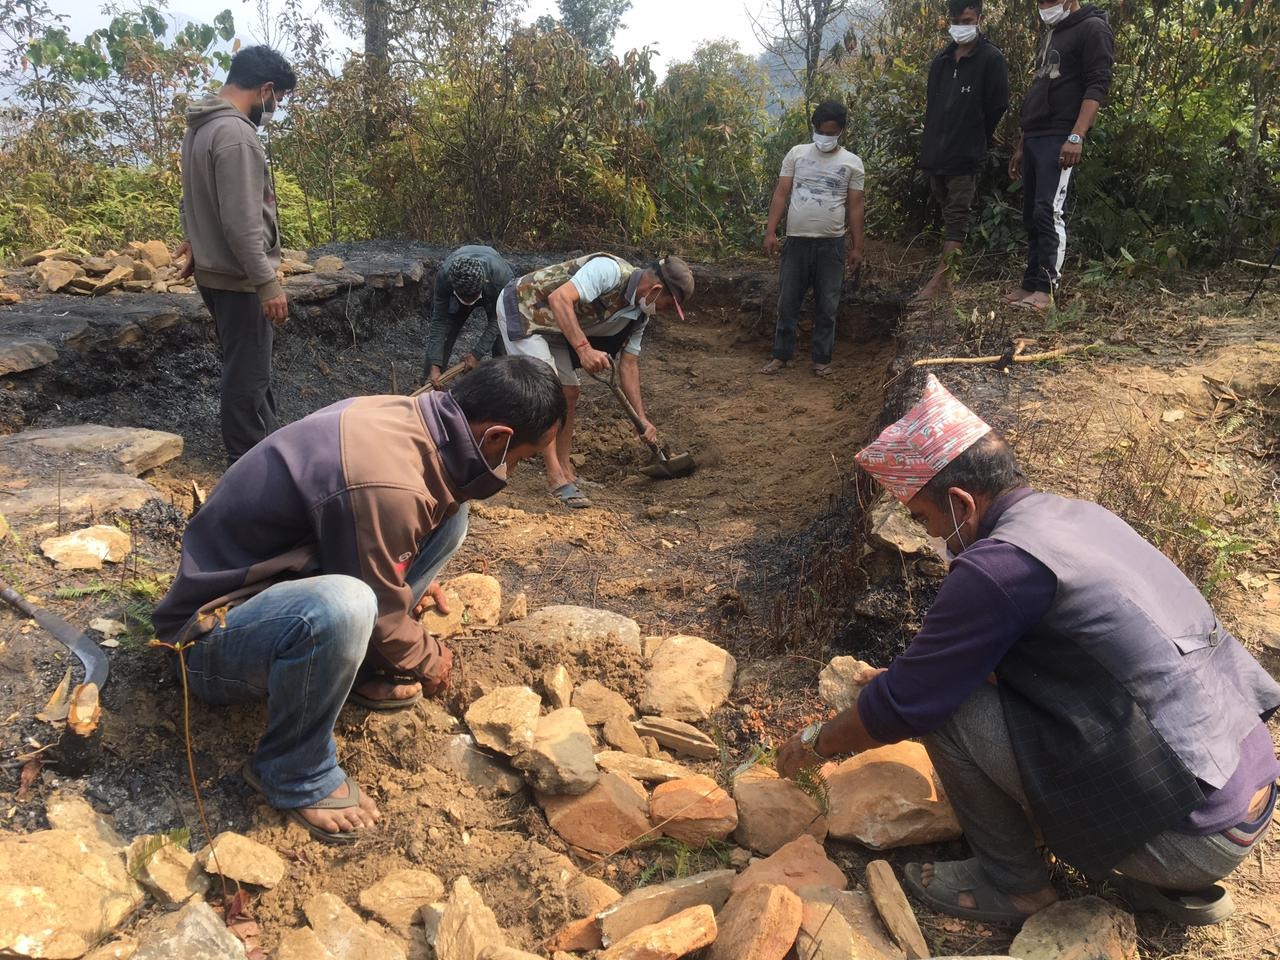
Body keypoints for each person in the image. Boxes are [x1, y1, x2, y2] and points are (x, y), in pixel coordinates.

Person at [777, 374, 1279, 926]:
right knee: (948, 695)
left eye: (925, 519)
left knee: (945, 714)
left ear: (963, 502)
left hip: (1193, 835)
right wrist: (912, 678)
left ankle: (1013, 884)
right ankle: (1135, 862)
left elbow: (907, 706)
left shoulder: (998, 565)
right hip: (1246, 793)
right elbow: (1051, 662)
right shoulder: (1080, 518)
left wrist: (816, 742)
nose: (929, 537)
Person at [152, 357, 566, 843]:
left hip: (277, 579)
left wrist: (396, 562)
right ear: (496, 437)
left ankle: (360, 664)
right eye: (521, 459)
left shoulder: (410, 418)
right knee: (347, 604)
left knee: (449, 521)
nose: (513, 470)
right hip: (208, 636)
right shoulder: (387, 483)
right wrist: (429, 659)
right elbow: (376, 596)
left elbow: (374, 531)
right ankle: (294, 771)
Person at [175, 45, 297, 465]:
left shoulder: (200, 126)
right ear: (265, 89)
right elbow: (242, 222)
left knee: (246, 365)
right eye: (277, 99)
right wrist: (267, 283)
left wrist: (195, 241)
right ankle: (247, 462)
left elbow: (192, 197)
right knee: (248, 374)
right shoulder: (237, 135)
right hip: (240, 277)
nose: (274, 108)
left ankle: (270, 444)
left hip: (214, 272)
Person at [496, 252, 695, 509]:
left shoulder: (639, 315)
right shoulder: (609, 271)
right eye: (668, 305)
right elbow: (560, 298)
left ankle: (566, 468)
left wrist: (641, 417)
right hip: (523, 309)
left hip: (555, 327)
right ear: (656, 289)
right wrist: (583, 348)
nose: (663, 311)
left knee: (569, 391)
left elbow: (629, 364)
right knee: (547, 391)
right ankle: (555, 476)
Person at [1005, 0, 1114, 310]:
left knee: (1048, 211)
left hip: (1061, 134)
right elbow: (1040, 87)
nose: (1044, 5)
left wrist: (1077, 135)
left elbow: (1097, 84)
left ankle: (1046, 289)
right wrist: (1022, 143)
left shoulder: (1093, 28)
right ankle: (1030, 282)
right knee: (1031, 213)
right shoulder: (1051, 33)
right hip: (1036, 134)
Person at [912, 0, 1010, 303]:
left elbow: (997, 105)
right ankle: (948, 283)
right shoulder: (941, 61)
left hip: (966, 155)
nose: (961, 26)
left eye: (967, 20)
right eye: (956, 20)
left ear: (978, 19)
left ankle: (940, 283)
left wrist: (975, 134)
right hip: (936, 155)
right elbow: (933, 106)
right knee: (947, 214)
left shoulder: (991, 59)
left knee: (957, 216)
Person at [761, 99, 865, 378]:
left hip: (831, 244)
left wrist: (857, 247)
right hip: (796, 241)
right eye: (822, 131)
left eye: (832, 133)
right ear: (814, 128)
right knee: (787, 301)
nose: (826, 138)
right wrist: (771, 231)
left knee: (828, 304)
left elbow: (855, 207)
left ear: (841, 130)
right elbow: (781, 194)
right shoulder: (796, 154)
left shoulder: (852, 163)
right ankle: (781, 356)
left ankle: (821, 359)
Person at [422, 245, 514, 387]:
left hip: (493, 294)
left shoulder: (501, 278)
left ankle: (502, 387)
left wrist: (477, 354)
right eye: (464, 297)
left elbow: (499, 320)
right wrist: (434, 365)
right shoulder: (445, 277)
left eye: (472, 297)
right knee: (445, 334)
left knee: (503, 343)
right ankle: (429, 388)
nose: (469, 302)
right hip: (459, 288)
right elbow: (439, 321)